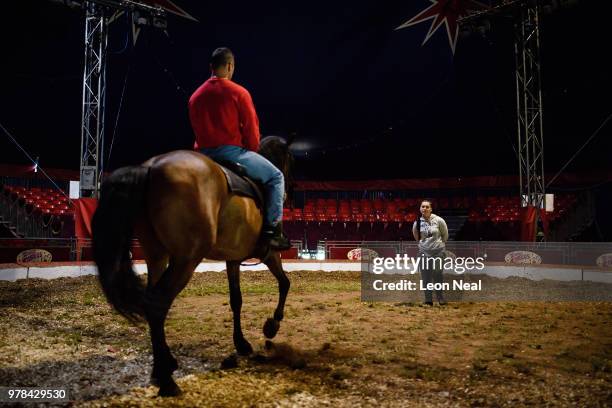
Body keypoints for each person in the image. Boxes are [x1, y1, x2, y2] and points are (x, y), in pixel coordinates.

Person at [188, 47, 290, 250]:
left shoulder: (195, 97)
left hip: (202, 156)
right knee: (276, 177)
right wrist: (252, 149)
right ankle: (271, 232)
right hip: (232, 152)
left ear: (211, 67)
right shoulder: (239, 92)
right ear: (229, 66)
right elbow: (252, 130)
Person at [412, 200, 448, 306]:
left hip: (438, 253)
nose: (425, 208)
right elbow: (416, 237)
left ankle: (440, 298)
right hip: (424, 252)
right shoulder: (417, 222)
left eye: (427, 207)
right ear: (420, 209)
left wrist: (437, 245)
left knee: (438, 274)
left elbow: (445, 235)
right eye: (423, 206)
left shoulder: (439, 220)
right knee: (426, 276)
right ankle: (428, 299)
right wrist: (425, 246)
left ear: (431, 209)